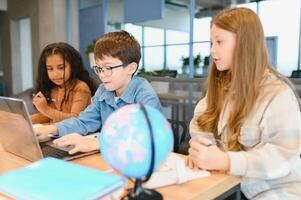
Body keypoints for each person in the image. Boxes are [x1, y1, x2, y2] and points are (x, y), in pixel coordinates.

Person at [186, 7, 301, 199]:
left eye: (220, 42)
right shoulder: (221, 87)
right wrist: (202, 150)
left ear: (244, 44)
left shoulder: (277, 93)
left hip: (280, 191)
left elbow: (283, 156)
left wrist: (225, 160)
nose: (212, 50)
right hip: (237, 188)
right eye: (212, 42)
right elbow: (202, 123)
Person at [34, 31, 162, 154]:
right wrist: (51, 129)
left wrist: (96, 143)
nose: (102, 75)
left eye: (108, 68)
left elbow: (142, 137)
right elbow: (84, 121)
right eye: (99, 68)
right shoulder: (103, 91)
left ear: (130, 68)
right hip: (111, 155)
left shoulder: (144, 95)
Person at [31, 42, 97, 124]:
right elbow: (50, 115)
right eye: (50, 69)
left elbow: (75, 119)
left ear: (73, 66)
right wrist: (25, 120)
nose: (55, 74)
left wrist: (45, 109)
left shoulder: (81, 88)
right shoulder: (54, 89)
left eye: (61, 68)